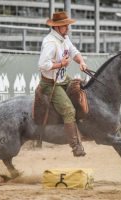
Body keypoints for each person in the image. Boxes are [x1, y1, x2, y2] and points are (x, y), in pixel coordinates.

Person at [38, 11, 88, 157]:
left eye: (67, 25)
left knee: (82, 90)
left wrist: (82, 62)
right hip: (51, 83)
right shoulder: (50, 42)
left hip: (62, 79)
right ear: (57, 27)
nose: (67, 28)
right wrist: (61, 64)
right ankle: (75, 146)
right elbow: (42, 64)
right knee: (68, 110)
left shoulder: (64, 38)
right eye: (65, 25)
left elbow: (74, 52)